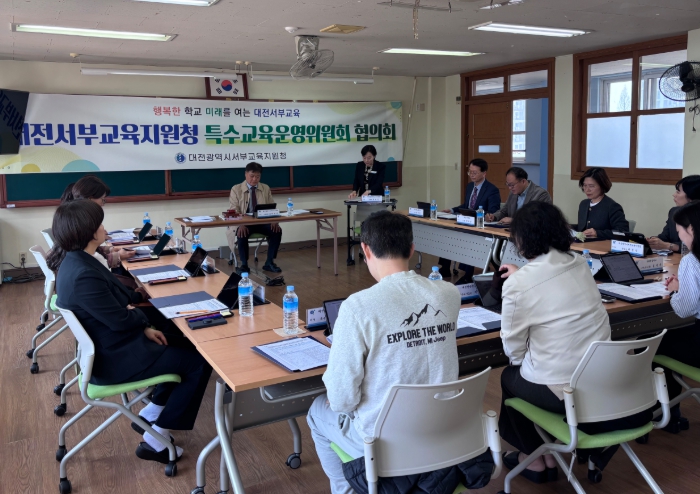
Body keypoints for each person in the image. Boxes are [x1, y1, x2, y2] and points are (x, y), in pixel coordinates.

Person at [307, 210, 461, 494]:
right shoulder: (449, 293)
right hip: (442, 434)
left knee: (318, 410)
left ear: (365, 250)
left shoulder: (357, 307)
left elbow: (341, 400)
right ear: (412, 249)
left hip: (385, 446)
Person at [48, 200, 213, 464]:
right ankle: (156, 439)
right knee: (199, 362)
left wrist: (138, 321)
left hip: (115, 344)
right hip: (115, 359)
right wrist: (137, 318)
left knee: (188, 344)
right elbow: (121, 319)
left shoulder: (76, 261)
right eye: (99, 223)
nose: (104, 228)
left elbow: (120, 312)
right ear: (88, 231)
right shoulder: (83, 274)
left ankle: (152, 412)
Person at [497, 201, 650, 484]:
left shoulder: (519, 284)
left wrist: (525, 359)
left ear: (521, 240)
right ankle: (544, 451)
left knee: (510, 377)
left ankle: (534, 457)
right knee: (527, 374)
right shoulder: (579, 262)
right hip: (604, 381)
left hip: (567, 392)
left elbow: (513, 349)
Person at [658, 200, 700, 432]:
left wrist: (676, 291)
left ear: (691, 229)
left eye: (680, 232)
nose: (680, 238)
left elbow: (685, 310)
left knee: (655, 343)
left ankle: (665, 413)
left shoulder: (692, 261)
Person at [438, 158, 501, 281]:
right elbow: (466, 206)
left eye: (475, 172)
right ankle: (445, 268)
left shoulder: (492, 190)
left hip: (480, 226)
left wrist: (481, 215)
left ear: (484, 173)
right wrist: (452, 210)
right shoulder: (470, 186)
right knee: (447, 233)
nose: (472, 175)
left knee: (468, 237)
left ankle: (468, 275)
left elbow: (493, 211)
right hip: (466, 223)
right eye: (470, 172)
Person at [225, 162, 282, 273]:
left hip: (262, 222)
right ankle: (244, 265)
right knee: (241, 232)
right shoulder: (236, 189)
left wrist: (274, 221)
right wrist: (241, 224)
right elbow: (234, 211)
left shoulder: (265, 188)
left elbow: (271, 207)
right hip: (244, 223)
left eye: (258, 176)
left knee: (277, 230)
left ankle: (269, 262)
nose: (255, 179)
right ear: (245, 174)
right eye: (252, 176)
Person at [648, 175, 700, 253]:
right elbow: (664, 237)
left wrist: (669, 246)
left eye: (678, 192)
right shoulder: (674, 212)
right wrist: (653, 241)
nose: (674, 194)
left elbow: (696, 246)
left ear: (691, 195)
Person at [575, 167, 629, 240]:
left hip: (603, 245)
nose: (587, 190)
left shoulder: (612, 206)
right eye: (585, 185)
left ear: (602, 186)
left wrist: (597, 233)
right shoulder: (584, 204)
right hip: (583, 244)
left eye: (591, 186)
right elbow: (582, 228)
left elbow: (623, 232)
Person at [485, 167, 551, 224]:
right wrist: (494, 216)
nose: (510, 188)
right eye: (508, 184)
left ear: (523, 181)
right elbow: (504, 211)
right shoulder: (513, 193)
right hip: (511, 231)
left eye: (512, 185)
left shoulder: (541, 194)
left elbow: (539, 219)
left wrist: (513, 220)